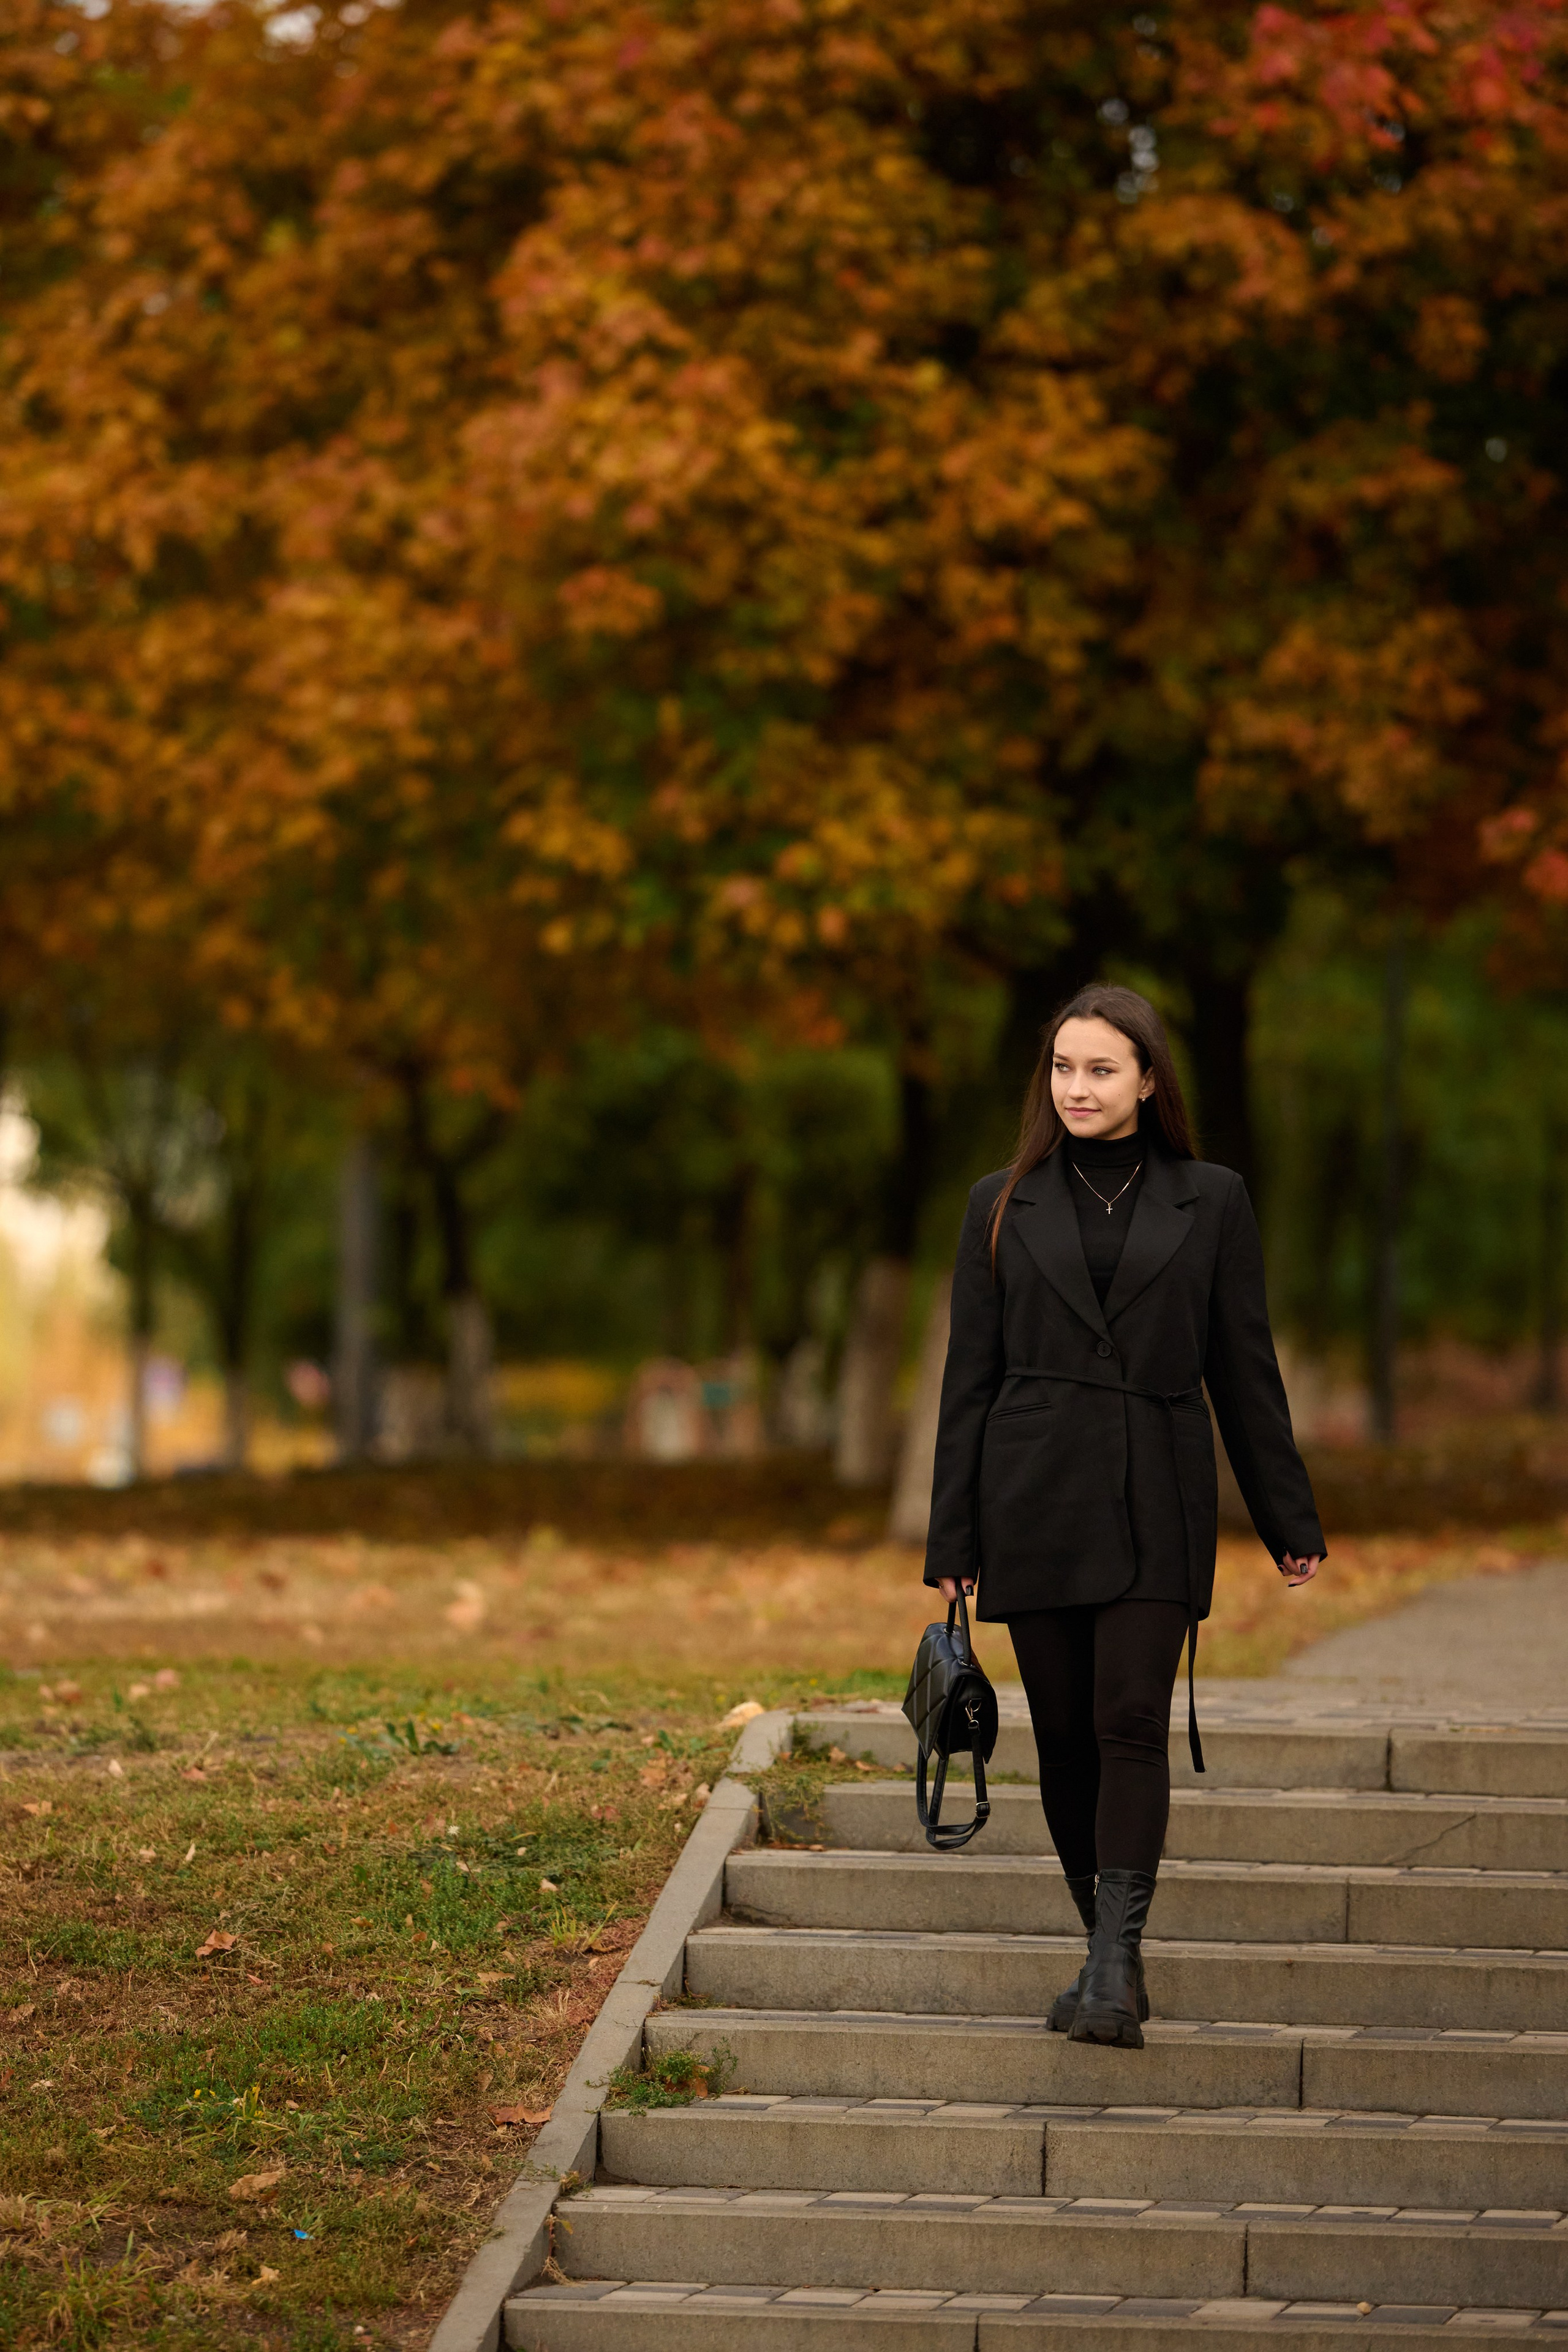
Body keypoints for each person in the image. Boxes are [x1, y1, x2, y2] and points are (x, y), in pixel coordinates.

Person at [924, 983, 1323, 2049]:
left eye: (1102, 1069)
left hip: (1159, 1485)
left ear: (1149, 1079)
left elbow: (1246, 1371)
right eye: (1063, 1068)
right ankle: (1113, 1957)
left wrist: (1290, 1516)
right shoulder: (999, 1202)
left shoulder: (1213, 1197)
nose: (1079, 1088)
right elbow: (969, 1380)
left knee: (1130, 1721)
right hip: (1033, 1491)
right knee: (1063, 1742)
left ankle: (1107, 1966)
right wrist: (951, 1542)